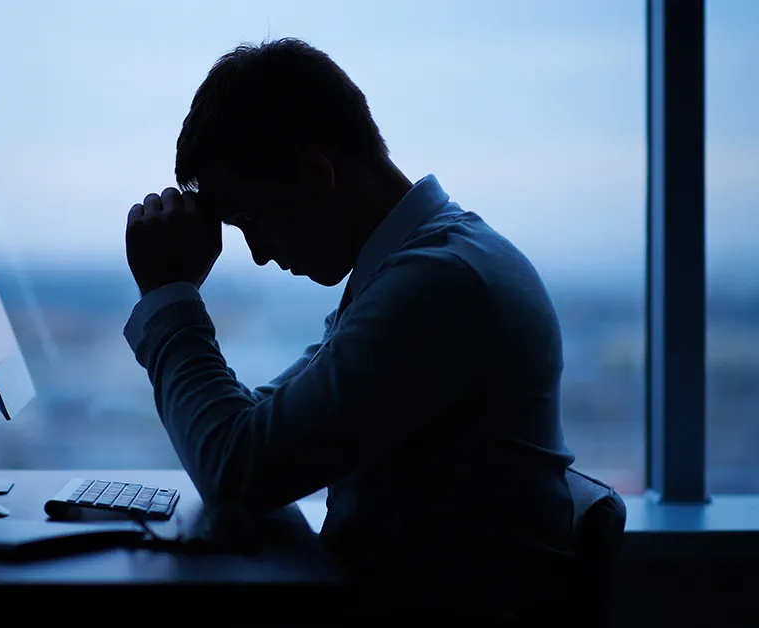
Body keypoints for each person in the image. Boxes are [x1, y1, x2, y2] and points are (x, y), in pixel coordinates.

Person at [123, 37, 576, 617]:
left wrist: (167, 294)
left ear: (316, 176)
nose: (258, 253)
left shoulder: (440, 287)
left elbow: (238, 466)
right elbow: (259, 436)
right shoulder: (417, 268)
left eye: (251, 220)